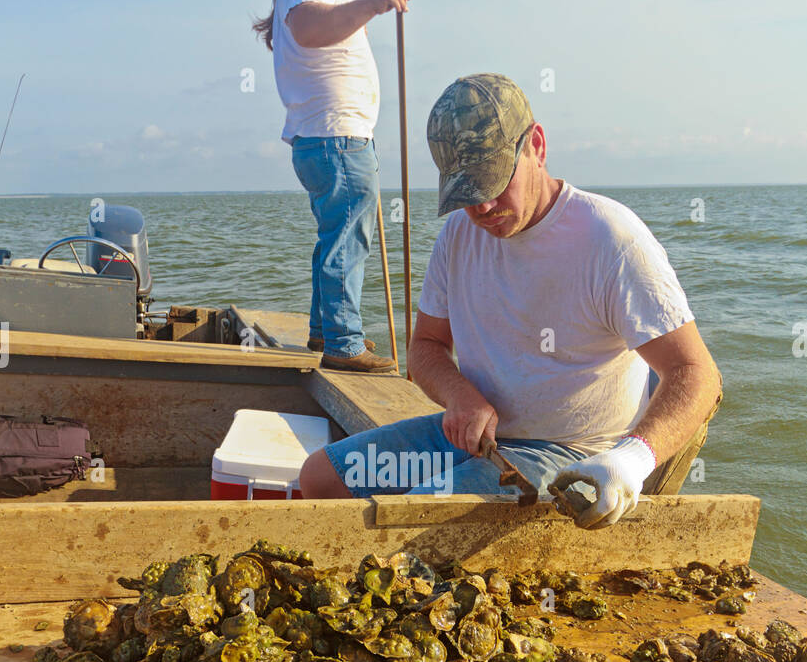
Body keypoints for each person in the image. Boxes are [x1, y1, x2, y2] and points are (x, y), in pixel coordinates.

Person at [299, 73, 722, 528]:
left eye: (494, 182)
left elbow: (698, 374)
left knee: (411, 520)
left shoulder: (611, 240)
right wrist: (461, 397)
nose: (482, 208)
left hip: (569, 458)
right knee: (322, 478)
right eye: (467, 192)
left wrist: (633, 460)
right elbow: (425, 348)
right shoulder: (458, 237)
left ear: (536, 145)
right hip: (475, 438)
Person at [255, 0, 410, 373]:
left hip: (330, 134)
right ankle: (343, 343)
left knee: (338, 233)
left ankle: (324, 334)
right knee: (348, 233)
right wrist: (371, 4)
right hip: (335, 135)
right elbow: (305, 27)